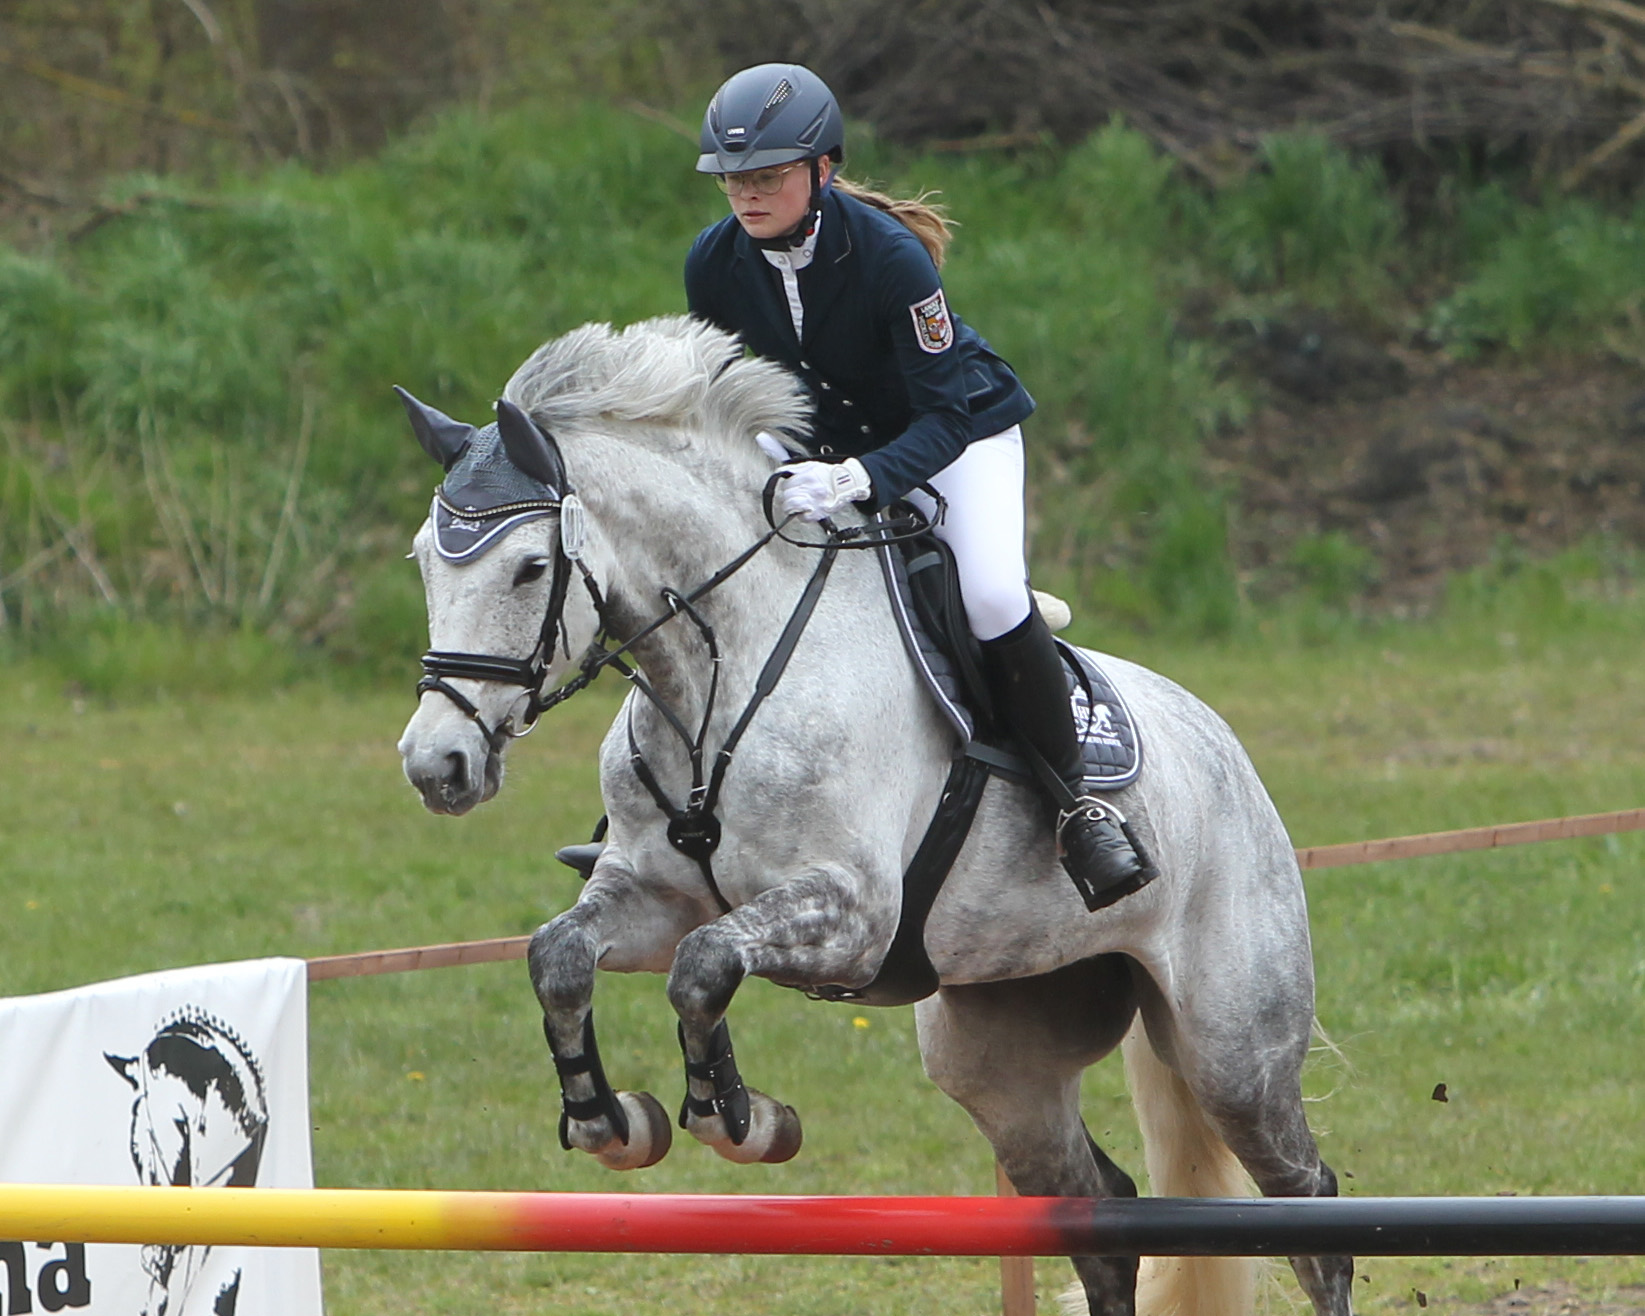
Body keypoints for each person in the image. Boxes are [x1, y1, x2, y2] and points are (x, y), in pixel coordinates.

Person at [685, 63, 1149, 910]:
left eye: (767, 176)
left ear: (822, 170)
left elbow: (938, 418)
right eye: (732, 179)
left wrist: (859, 477)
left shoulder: (893, 260)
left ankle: (1077, 807)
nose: (746, 195)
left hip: (955, 437)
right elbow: (737, 386)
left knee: (990, 596)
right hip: (823, 449)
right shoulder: (712, 264)